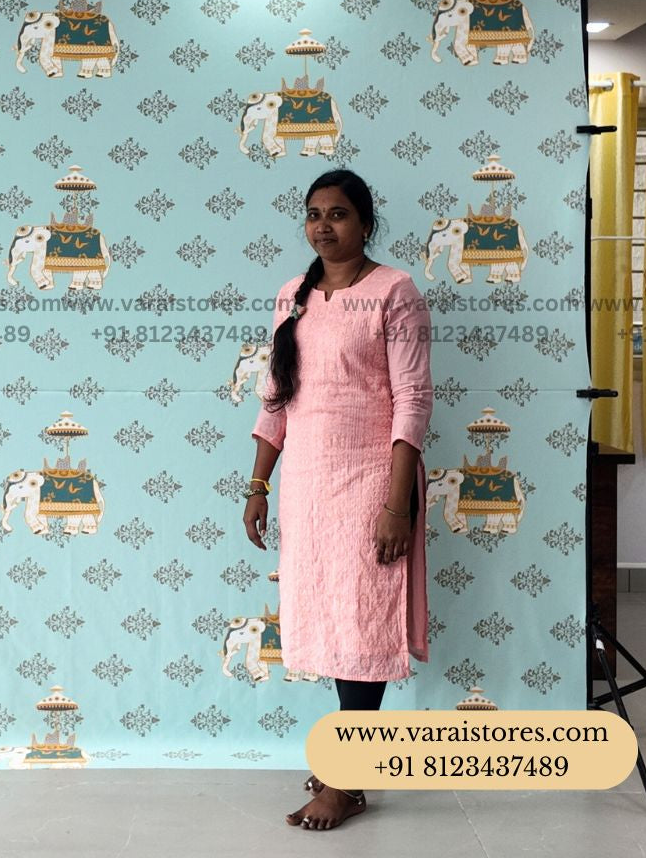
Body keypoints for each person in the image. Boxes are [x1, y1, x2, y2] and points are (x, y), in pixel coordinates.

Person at [245, 169, 433, 831]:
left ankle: (347, 777)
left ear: (366, 223)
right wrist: (259, 484)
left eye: (339, 214)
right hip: (307, 486)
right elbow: (277, 399)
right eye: (314, 214)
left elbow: (413, 399)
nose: (323, 226)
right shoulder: (292, 296)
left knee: (361, 622)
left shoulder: (395, 292)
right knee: (331, 621)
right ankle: (350, 763)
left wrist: (396, 504)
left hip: (370, 482)